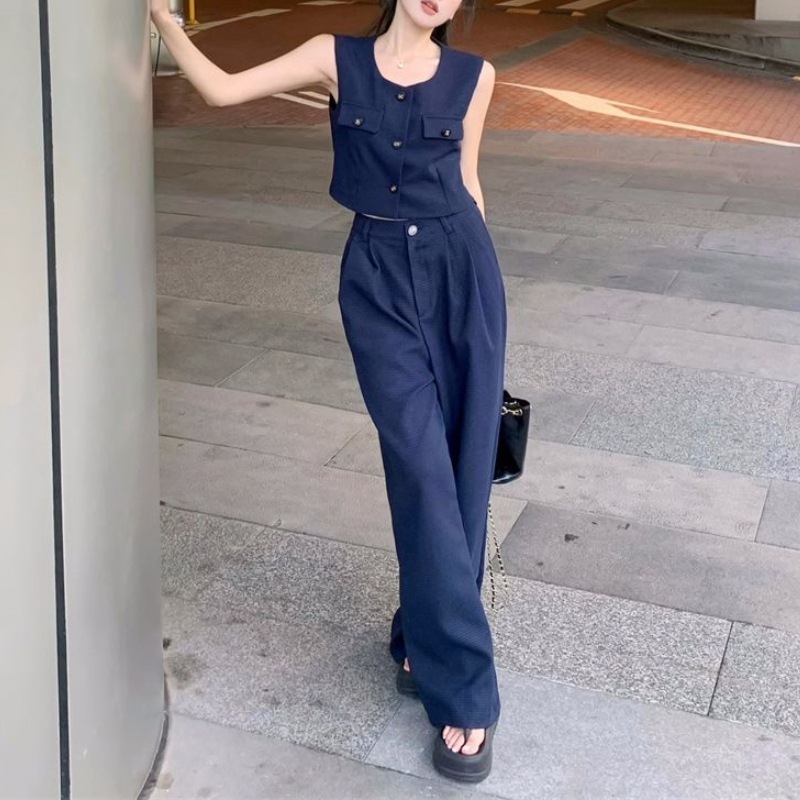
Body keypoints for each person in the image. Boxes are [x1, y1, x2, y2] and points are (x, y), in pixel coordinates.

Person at [150, 0, 506, 783]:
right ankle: (467, 690)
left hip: (463, 272)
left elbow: (470, 182)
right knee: (420, 468)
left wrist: (486, 314)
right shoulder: (333, 58)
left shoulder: (475, 77)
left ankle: (421, 636)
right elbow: (220, 89)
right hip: (377, 280)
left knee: (462, 472)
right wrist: (165, 20)